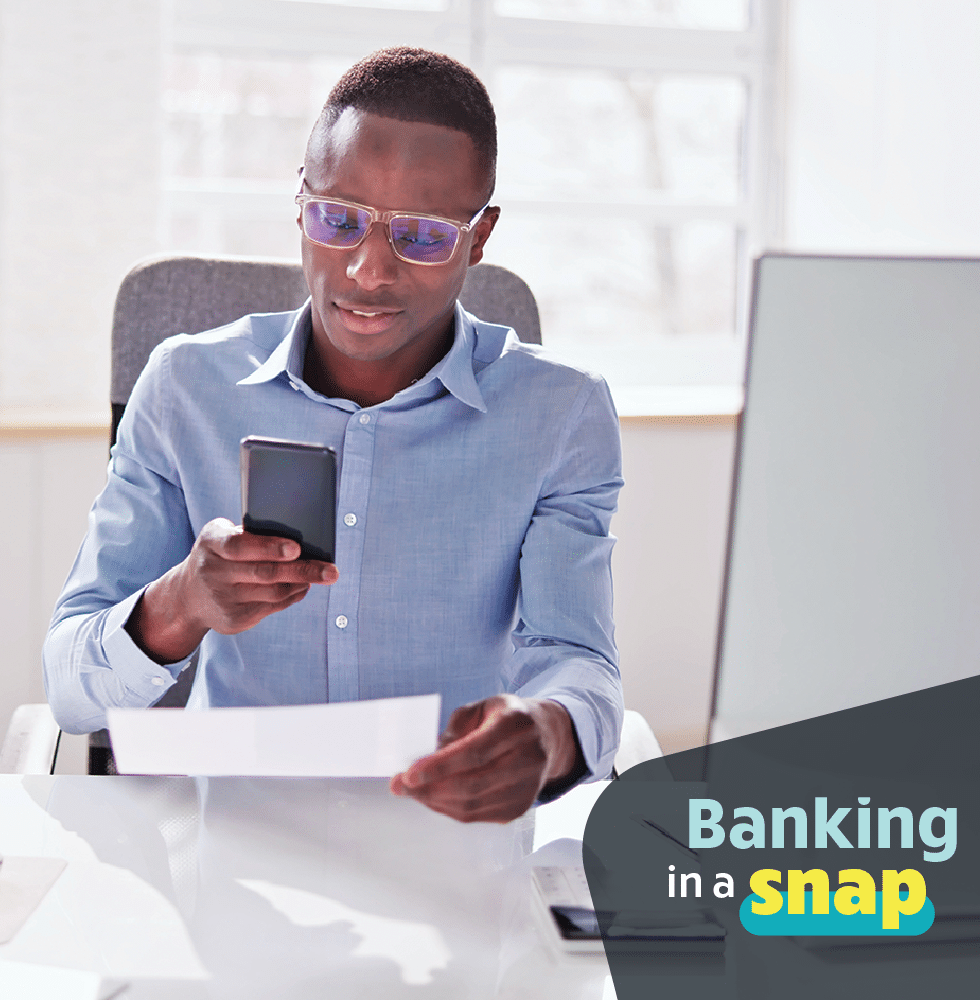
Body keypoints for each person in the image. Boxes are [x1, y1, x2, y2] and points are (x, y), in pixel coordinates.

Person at [43, 47, 624, 822]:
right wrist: (181, 603)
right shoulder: (186, 389)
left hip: (451, 838)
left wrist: (547, 733)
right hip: (236, 841)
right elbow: (70, 689)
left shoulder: (561, 414)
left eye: (420, 236)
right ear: (300, 205)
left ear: (479, 238)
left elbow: (577, 662)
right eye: (338, 220)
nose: (366, 271)